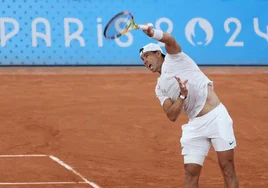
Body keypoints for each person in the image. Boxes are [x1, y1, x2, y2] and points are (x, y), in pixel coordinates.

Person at [139, 26, 239, 188]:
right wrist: (182, 96)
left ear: (158, 53)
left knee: (227, 167)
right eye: (142, 60)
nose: (145, 61)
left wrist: (153, 33)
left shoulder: (175, 58)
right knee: (190, 172)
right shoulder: (159, 88)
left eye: (147, 56)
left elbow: (170, 40)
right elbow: (172, 115)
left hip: (216, 117)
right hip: (195, 125)